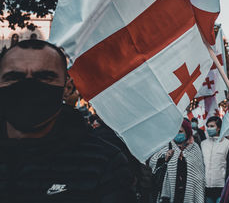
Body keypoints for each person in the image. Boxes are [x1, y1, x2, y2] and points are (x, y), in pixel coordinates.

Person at [0, 39, 135, 202]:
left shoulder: (104, 162)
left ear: (67, 88)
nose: (29, 86)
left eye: (44, 77)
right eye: (14, 77)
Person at [149, 119, 204, 203]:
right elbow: (153, 163)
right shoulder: (166, 146)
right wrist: (165, 158)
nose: (177, 134)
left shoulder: (195, 148)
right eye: (175, 131)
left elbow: (199, 175)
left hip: (188, 192)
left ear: (187, 132)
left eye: (180, 131)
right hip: (168, 194)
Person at [201, 116, 229, 203]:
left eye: (212, 126)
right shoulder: (203, 144)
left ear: (218, 128)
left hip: (221, 187)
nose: (209, 128)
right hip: (207, 187)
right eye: (208, 126)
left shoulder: (228, 144)